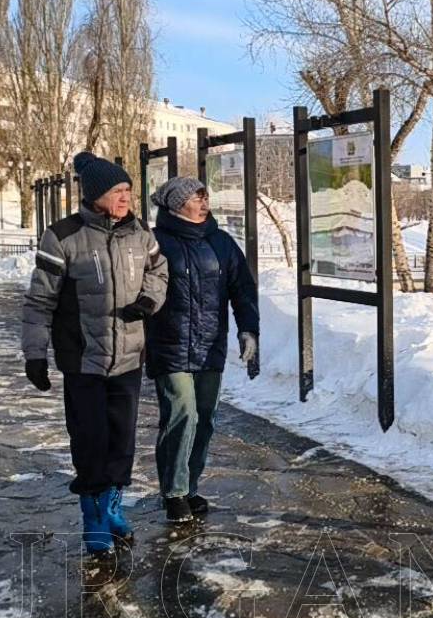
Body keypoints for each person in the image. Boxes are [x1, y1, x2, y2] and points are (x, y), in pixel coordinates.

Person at [22, 152, 169, 557]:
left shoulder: (140, 232)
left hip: (129, 357)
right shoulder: (63, 236)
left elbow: (159, 272)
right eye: (117, 190)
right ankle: (93, 515)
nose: (125, 198)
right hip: (83, 359)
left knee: (122, 440)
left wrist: (149, 300)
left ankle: (112, 507)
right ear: (96, 194)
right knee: (90, 439)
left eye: (128, 191)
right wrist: (35, 353)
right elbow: (40, 301)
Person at [145, 177, 259, 523]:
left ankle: (190, 486)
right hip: (170, 344)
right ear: (176, 204)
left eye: (205, 197)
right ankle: (174, 492)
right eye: (197, 198)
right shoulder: (155, 241)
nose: (204, 204)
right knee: (182, 415)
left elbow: (242, 289)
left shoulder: (221, 242)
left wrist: (248, 329)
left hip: (210, 345)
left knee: (205, 419)